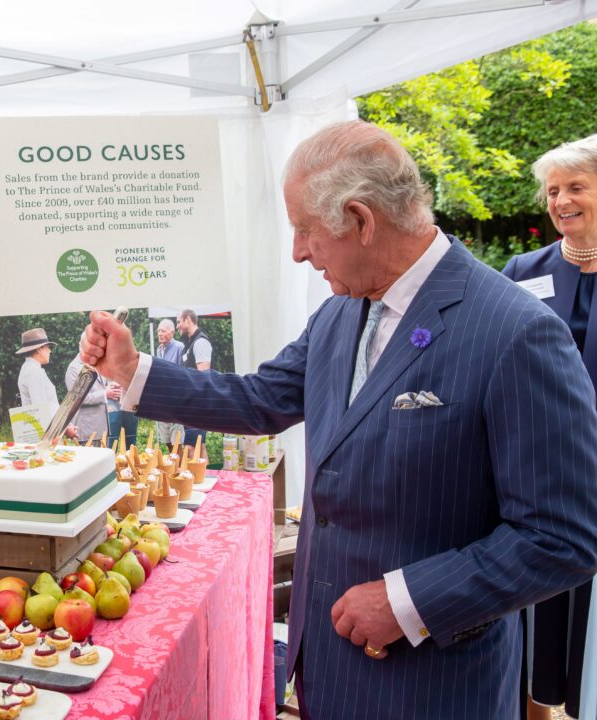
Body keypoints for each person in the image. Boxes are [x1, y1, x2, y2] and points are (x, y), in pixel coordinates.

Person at [80, 120, 597, 718]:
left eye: (305, 230)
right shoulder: (340, 312)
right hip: (328, 667)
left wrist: (408, 602)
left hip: (432, 687)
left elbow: (563, 536)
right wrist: (133, 370)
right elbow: (259, 399)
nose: (298, 251)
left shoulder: (515, 331)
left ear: (361, 220)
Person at [503, 133, 597, 720]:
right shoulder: (522, 272)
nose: (561, 200)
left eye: (577, 187)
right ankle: (538, 703)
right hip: (541, 469)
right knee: (541, 599)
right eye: (553, 191)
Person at [15, 327, 76, 438]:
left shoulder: (31, 368)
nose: (50, 351)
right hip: (44, 435)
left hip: (47, 431)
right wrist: (65, 429)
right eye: (47, 347)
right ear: (39, 349)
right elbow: (41, 410)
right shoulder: (33, 371)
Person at [177, 309, 211, 451]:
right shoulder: (190, 344)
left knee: (190, 448)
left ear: (188, 320)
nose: (177, 326)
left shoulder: (200, 342)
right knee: (199, 446)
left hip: (196, 404)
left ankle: (194, 474)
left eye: (179, 322)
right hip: (191, 403)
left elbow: (203, 377)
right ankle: (204, 473)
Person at [65, 343, 108, 445]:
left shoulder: (96, 363)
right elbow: (78, 398)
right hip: (86, 431)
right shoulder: (74, 368)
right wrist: (105, 394)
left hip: (102, 429)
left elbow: (102, 386)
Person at [153, 318, 185, 446]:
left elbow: (183, 372)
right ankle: (171, 465)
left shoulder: (179, 347)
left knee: (177, 440)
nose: (160, 333)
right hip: (163, 401)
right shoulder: (159, 349)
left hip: (176, 400)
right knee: (166, 440)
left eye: (163, 331)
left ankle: (178, 465)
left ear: (172, 332)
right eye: (158, 331)